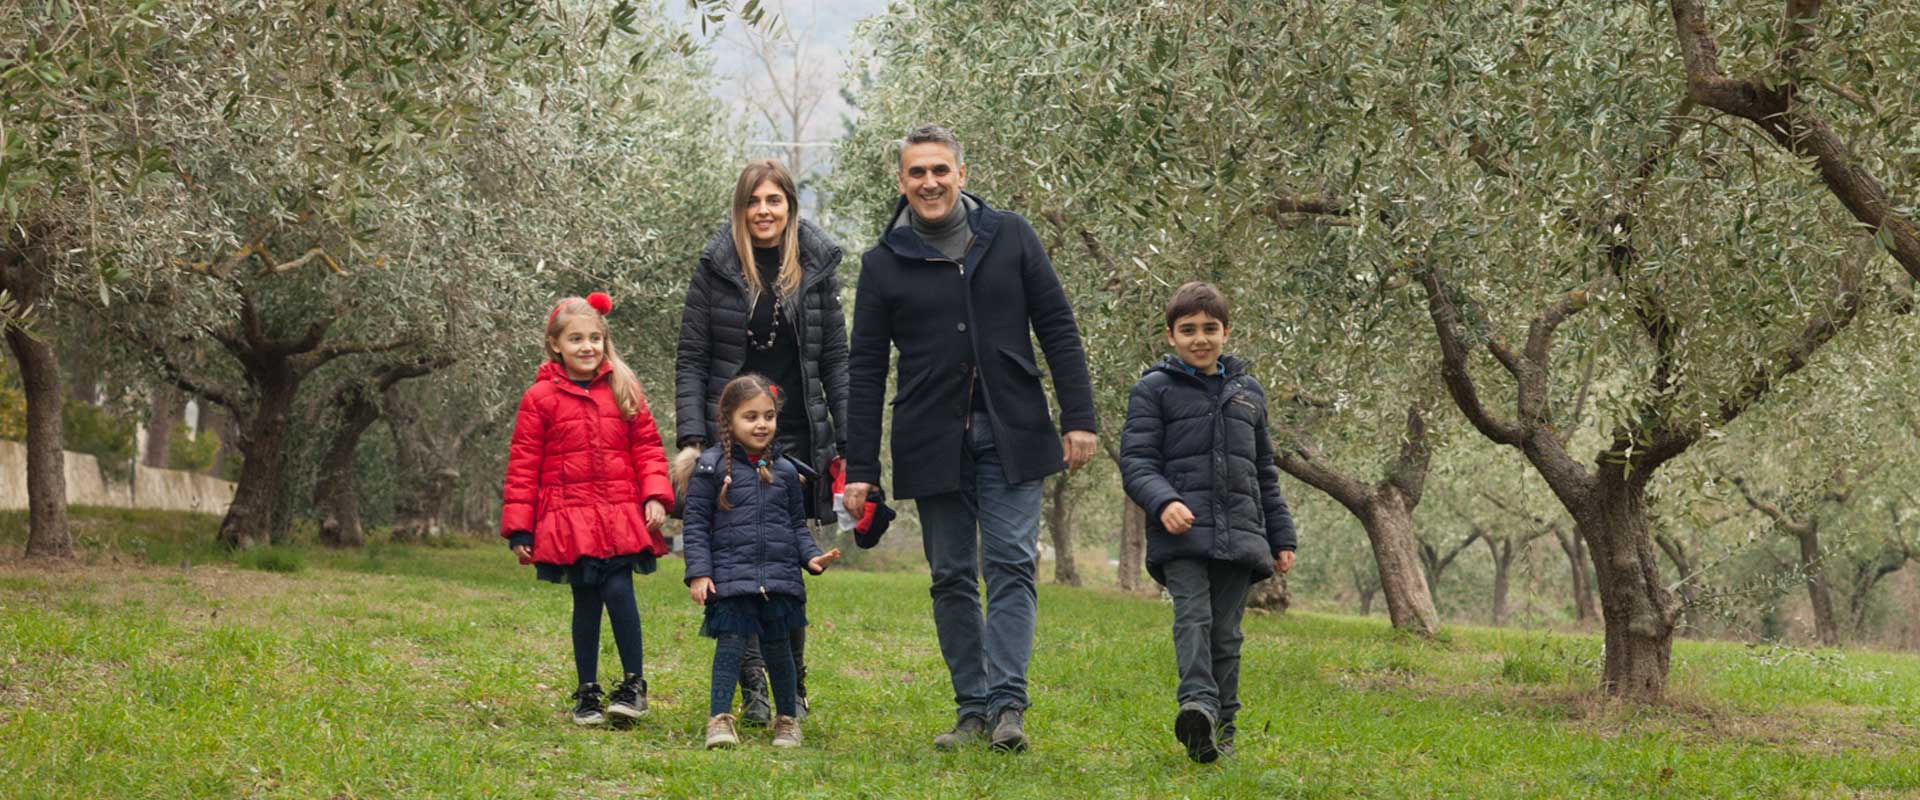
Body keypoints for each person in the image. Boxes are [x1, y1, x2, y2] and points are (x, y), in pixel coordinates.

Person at [842, 124, 1098, 752]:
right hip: (931, 437)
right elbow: (866, 368)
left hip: (1014, 429)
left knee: (1011, 562)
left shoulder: (1011, 235)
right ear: (901, 182)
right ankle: (972, 709)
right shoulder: (882, 262)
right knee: (952, 575)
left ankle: (1009, 707)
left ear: (961, 174)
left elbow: (1058, 327)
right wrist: (859, 467)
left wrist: (1079, 416)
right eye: (916, 173)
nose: (929, 182)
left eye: (939, 170)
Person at [676, 159, 848, 724]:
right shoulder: (717, 266)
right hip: (729, 437)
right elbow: (693, 358)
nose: (764, 211)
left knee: (783, 565)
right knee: (735, 563)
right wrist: (694, 439)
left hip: (793, 433)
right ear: (740, 208)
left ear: (791, 207)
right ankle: (752, 690)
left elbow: (837, 361)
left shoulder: (818, 265)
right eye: (754, 201)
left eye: (775, 200)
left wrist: (849, 443)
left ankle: (791, 689)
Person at [1118, 281, 1298, 762]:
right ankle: (1197, 705)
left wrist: (1281, 535)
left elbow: (1263, 472)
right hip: (1182, 533)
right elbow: (1135, 461)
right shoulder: (1153, 390)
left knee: (1227, 635)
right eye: (1189, 330)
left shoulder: (1248, 394)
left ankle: (1223, 732)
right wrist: (1163, 502)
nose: (1200, 338)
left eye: (1210, 329)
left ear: (1226, 332)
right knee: (1193, 617)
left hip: (1241, 534)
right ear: (1171, 336)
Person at [502, 292, 673, 726]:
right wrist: (521, 531)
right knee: (586, 600)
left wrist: (655, 494)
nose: (587, 346)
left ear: (605, 341)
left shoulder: (624, 388)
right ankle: (588, 692)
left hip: (619, 511)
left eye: (595, 338)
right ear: (555, 344)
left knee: (618, 591)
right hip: (569, 515)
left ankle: (633, 685)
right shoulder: (539, 398)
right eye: (576, 338)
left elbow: (648, 449)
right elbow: (524, 465)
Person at [680, 374, 841, 749]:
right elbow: (696, 526)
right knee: (731, 646)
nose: (761, 424)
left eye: (768, 416)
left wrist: (811, 557)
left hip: (779, 577)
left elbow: (796, 527)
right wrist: (699, 572)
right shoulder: (711, 467)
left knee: (779, 651)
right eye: (750, 416)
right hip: (732, 578)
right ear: (729, 420)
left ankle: (786, 720)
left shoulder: (786, 472)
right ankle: (719, 719)